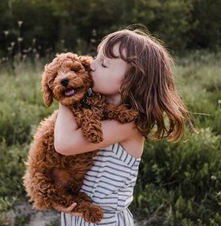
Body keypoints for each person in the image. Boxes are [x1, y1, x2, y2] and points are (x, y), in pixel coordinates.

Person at [53, 28, 195, 225]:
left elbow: (64, 144)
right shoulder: (97, 111)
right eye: (96, 57)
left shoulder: (128, 124)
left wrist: (65, 93)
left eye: (103, 64)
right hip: (77, 216)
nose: (91, 66)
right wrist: (60, 199)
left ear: (128, 82)